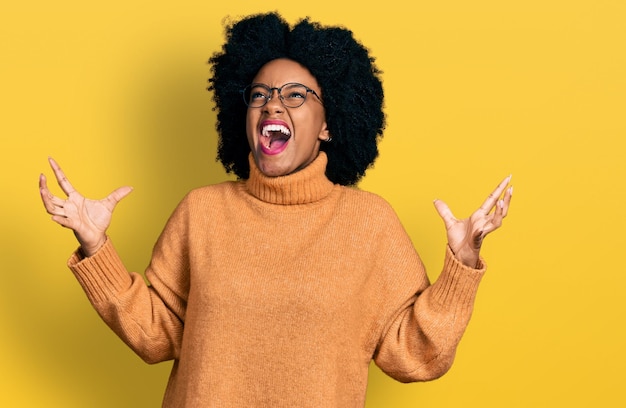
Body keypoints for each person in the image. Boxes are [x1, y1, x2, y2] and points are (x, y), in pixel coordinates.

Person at [39, 12, 513, 407]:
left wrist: (463, 265)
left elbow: (415, 354)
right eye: (260, 95)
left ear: (328, 124)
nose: (272, 106)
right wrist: (95, 246)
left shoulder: (370, 223)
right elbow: (157, 335)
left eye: (294, 95)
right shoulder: (202, 212)